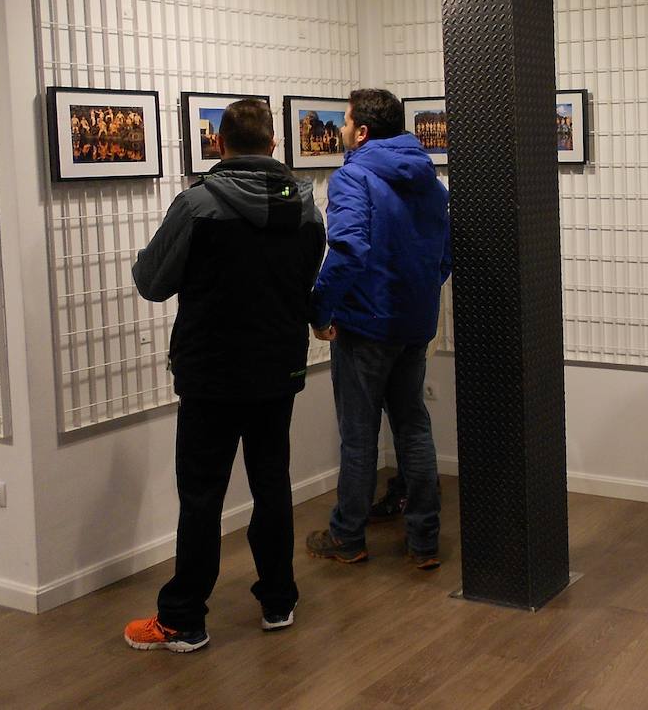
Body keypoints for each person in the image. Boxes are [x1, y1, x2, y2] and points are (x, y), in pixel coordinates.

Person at [123, 99, 326, 653]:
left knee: (203, 495)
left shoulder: (197, 206)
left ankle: (183, 619)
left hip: (211, 373)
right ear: (274, 146)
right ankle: (279, 601)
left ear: (219, 144)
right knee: (271, 484)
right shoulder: (307, 209)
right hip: (277, 370)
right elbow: (304, 281)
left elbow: (151, 282)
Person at [307, 88, 452, 568]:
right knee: (413, 427)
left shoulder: (352, 178)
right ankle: (424, 541)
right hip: (414, 325)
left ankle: (348, 537)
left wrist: (321, 310)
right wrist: (418, 295)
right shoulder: (430, 182)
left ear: (362, 131)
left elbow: (347, 251)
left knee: (359, 435)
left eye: (346, 122)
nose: (342, 129)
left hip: (365, 326)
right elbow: (444, 255)